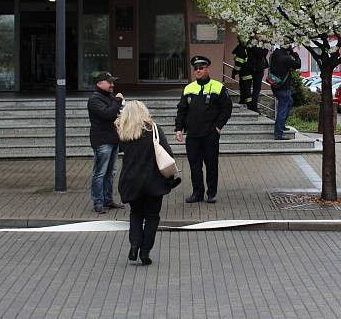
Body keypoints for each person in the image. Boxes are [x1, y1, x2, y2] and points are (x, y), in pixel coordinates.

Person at [116, 100, 182, 266]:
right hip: (153, 180)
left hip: (131, 180)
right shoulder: (153, 129)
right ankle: (145, 251)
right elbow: (167, 152)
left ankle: (134, 246)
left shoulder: (123, 132)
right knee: (152, 216)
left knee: (136, 214)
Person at [175, 55, 233, 204]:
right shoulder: (189, 88)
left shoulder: (218, 87)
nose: (198, 71)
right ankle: (197, 193)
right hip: (193, 134)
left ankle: (211, 193)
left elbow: (226, 108)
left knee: (211, 165)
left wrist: (218, 127)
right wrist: (179, 128)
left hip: (210, 134)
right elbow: (182, 110)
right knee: (195, 166)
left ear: (207, 68)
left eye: (201, 68)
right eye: (196, 69)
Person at [87, 71, 125, 214]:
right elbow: (108, 114)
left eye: (112, 82)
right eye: (109, 82)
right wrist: (118, 101)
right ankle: (98, 202)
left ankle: (108, 200)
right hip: (102, 141)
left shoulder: (108, 97)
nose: (112, 85)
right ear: (99, 83)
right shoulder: (94, 99)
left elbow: (114, 113)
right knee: (100, 173)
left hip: (113, 140)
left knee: (111, 172)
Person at [268, 45, 301, 140]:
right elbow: (298, 65)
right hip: (284, 87)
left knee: (289, 102)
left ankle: (281, 126)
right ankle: (278, 133)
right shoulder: (286, 59)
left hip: (275, 84)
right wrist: (296, 56)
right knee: (282, 109)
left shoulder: (274, 55)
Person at [247, 43, 269, 112]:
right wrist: (266, 47)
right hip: (256, 68)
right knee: (256, 89)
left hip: (254, 68)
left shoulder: (251, 44)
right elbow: (261, 54)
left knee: (254, 88)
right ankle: (253, 106)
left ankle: (252, 105)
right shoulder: (255, 45)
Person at [231, 39, 253, 107]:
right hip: (248, 73)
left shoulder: (241, 49)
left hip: (244, 73)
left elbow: (238, 63)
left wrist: (234, 73)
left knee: (245, 90)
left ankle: (249, 105)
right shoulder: (247, 49)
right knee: (245, 89)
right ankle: (244, 102)